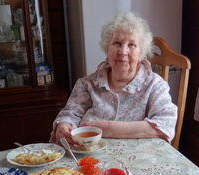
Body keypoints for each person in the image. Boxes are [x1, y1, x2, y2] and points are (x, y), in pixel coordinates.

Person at [50, 12, 177, 145]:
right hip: (89, 158)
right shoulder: (87, 84)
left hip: (136, 160)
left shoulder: (154, 85)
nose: (123, 51)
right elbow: (70, 113)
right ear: (107, 48)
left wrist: (107, 128)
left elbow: (165, 125)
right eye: (117, 43)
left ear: (141, 53)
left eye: (131, 45)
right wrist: (63, 126)